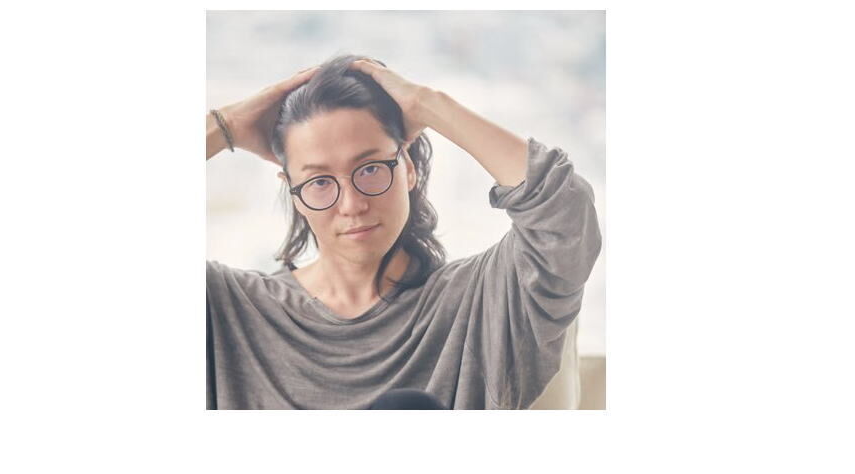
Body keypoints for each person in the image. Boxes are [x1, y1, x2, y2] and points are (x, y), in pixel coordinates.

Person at [205, 54, 602, 409]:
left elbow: (565, 215)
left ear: (408, 168)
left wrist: (428, 105)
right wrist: (226, 125)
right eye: (320, 181)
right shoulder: (228, 310)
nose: (352, 204)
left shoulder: (480, 303)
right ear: (294, 194)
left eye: (371, 169)